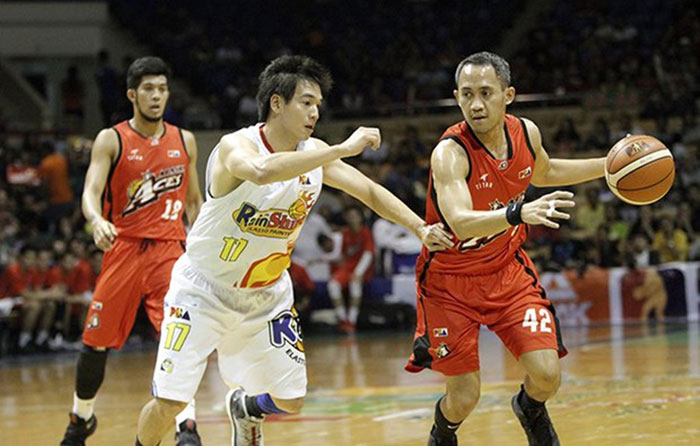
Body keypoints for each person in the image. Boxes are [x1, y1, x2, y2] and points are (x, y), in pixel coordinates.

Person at [134, 54, 452, 446]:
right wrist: (341, 148)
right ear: (277, 103)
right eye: (306, 101)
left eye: (319, 104)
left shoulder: (316, 153)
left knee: (292, 399)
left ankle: (248, 409)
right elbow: (264, 171)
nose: (315, 111)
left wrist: (419, 227)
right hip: (204, 290)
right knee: (169, 401)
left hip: (266, 296)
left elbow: (368, 190)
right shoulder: (236, 147)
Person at [404, 52, 609, 446]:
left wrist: (608, 165)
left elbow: (545, 171)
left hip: (507, 274)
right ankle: (442, 432)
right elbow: (461, 221)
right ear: (457, 97)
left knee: (547, 374)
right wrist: (518, 213)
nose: (476, 104)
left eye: (485, 93)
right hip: (449, 284)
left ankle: (529, 408)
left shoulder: (526, 133)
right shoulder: (450, 152)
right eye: (466, 95)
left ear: (508, 94)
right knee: (464, 397)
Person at [60, 56, 204, 446]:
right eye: (148, 89)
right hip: (123, 248)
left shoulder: (184, 140)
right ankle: (81, 419)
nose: (156, 96)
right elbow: (90, 193)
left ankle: (185, 425)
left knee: (178, 338)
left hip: (171, 252)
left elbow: (194, 203)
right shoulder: (112, 138)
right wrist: (96, 221)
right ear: (132, 94)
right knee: (95, 342)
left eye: (162, 89)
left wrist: (206, 244)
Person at [328, 205, 374, 333]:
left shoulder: (365, 233)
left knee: (355, 283)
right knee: (333, 284)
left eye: (355, 216)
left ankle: (351, 320)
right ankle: (342, 319)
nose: (352, 219)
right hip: (348, 267)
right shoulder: (345, 233)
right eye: (350, 216)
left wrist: (358, 272)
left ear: (360, 218)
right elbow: (343, 254)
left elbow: (368, 254)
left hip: (362, 268)